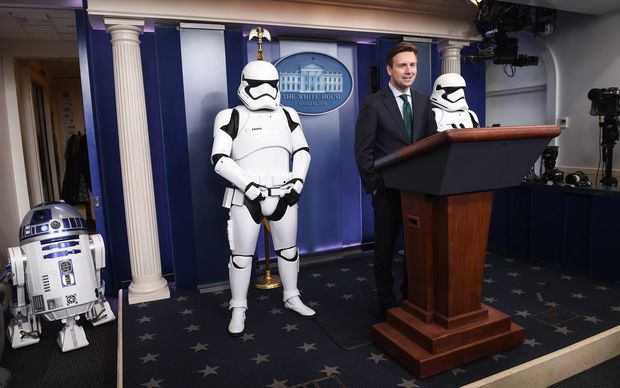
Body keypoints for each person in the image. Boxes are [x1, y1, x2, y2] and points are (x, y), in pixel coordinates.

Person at [211, 55, 316, 337]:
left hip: (284, 192)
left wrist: (298, 181)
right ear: (245, 84)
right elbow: (219, 158)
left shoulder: (288, 114)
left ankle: (291, 295)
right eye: (259, 84)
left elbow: (302, 151)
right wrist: (248, 185)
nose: (266, 90)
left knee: (289, 251)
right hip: (246, 196)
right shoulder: (231, 115)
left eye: (272, 84)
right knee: (241, 256)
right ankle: (238, 306)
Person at [354, 41, 438, 317]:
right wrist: (374, 188)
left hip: (418, 191)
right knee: (386, 250)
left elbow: (432, 146)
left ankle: (410, 298)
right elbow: (363, 151)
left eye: (413, 65)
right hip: (387, 191)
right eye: (402, 65)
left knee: (415, 250)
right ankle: (387, 303)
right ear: (390, 69)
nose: (408, 70)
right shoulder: (373, 104)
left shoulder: (425, 102)